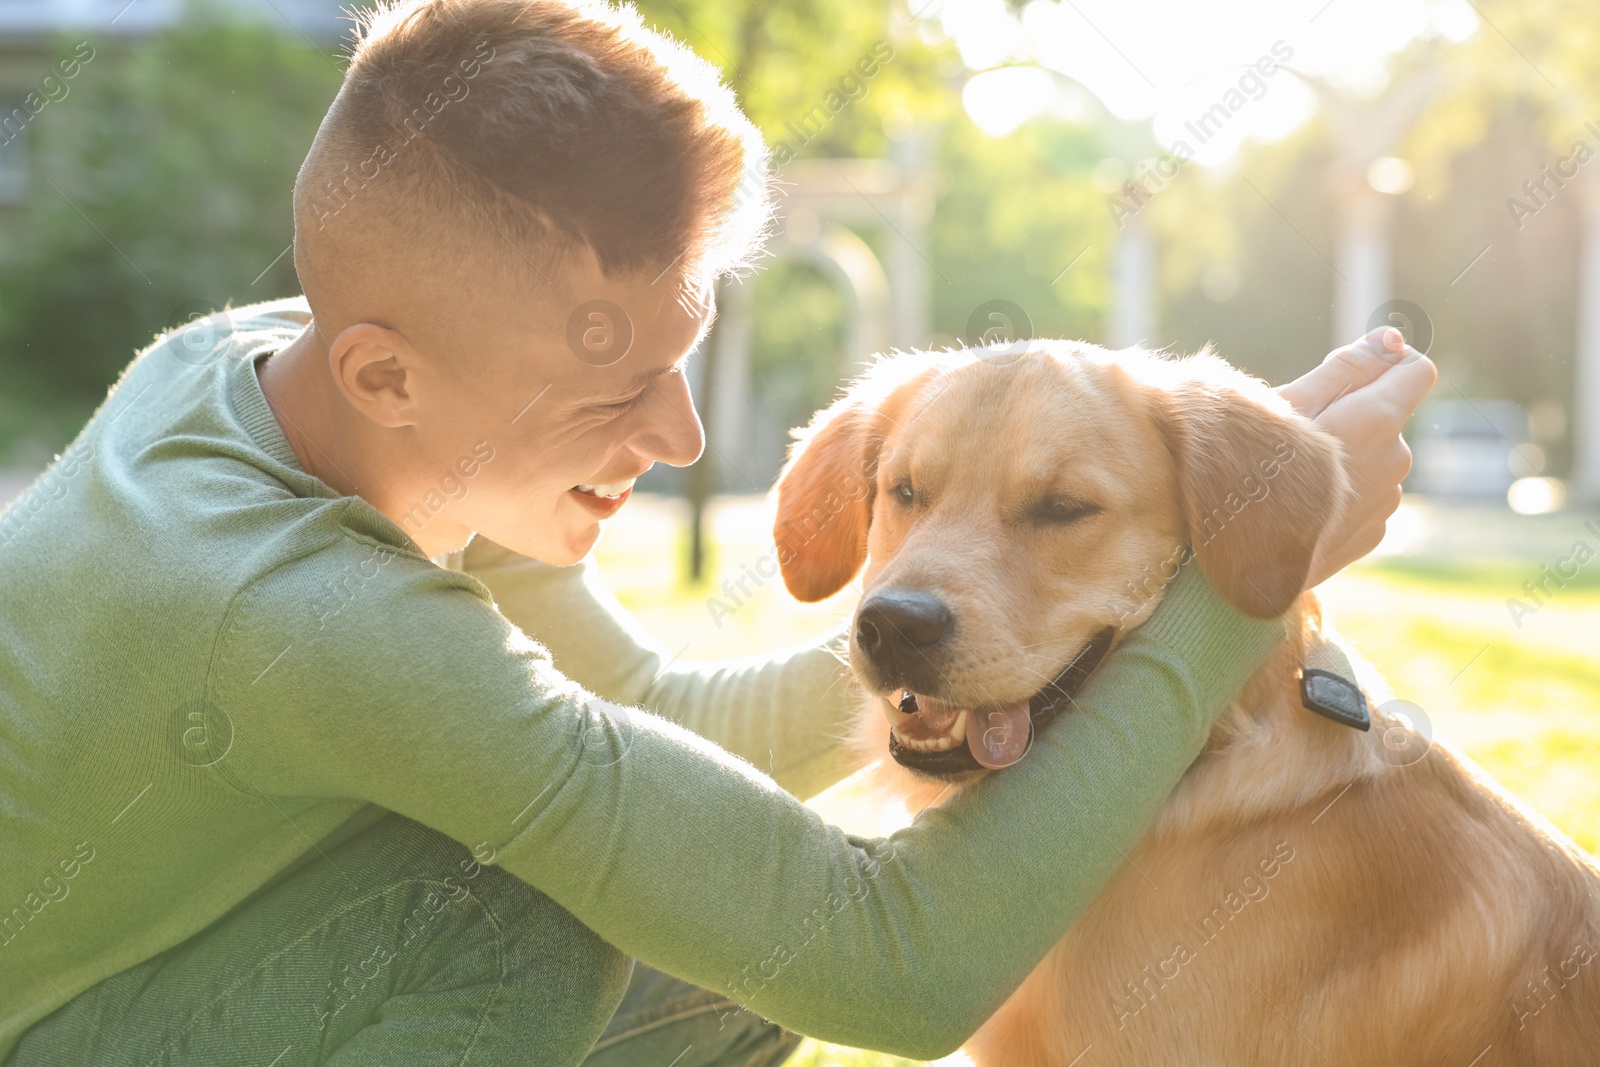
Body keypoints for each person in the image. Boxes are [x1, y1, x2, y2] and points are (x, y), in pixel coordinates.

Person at [0, 1, 1436, 1064]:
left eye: (684, 356)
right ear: (390, 373)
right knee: (563, 908)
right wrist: (1237, 602)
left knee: (719, 921)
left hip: (150, 978)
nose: (681, 437)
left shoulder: (276, 371)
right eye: (617, 386)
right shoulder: (314, 617)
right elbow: (897, 976)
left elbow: (657, 715)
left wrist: (1095, 568)